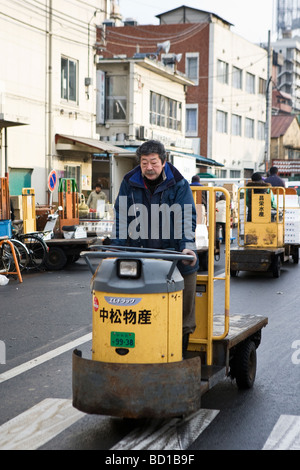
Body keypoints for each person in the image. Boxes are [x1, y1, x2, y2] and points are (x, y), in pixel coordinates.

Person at [111, 140, 199, 355]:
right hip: (140, 256)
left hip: (174, 256)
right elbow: (122, 216)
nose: (149, 167)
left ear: (163, 161)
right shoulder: (129, 182)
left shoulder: (179, 183)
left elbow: (186, 216)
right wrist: (117, 248)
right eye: (144, 163)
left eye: (153, 162)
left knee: (182, 310)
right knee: (132, 306)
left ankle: (180, 355)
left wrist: (187, 247)